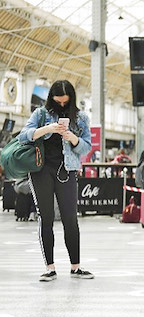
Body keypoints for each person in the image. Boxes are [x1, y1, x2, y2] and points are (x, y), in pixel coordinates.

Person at [18, 79, 94, 281]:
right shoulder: (40, 114)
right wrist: (48, 129)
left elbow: (86, 147)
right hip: (40, 170)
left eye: (65, 102)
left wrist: (72, 137)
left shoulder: (81, 118)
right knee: (46, 217)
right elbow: (23, 136)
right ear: (51, 98)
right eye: (58, 101)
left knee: (70, 218)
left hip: (67, 171)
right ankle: (50, 268)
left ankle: (75, 267)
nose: (61, 105)